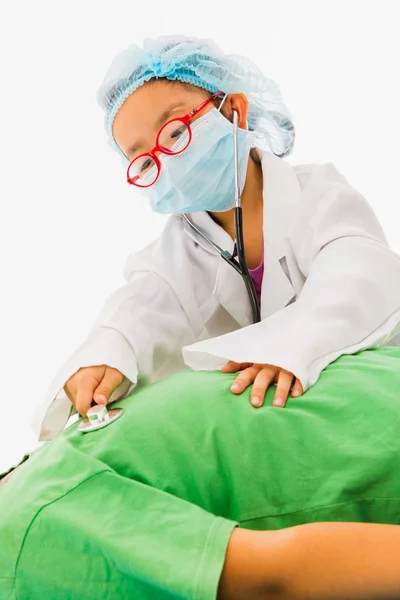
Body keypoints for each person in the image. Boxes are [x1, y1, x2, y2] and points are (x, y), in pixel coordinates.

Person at [33, 35, 400, 442]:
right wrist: (104, 356)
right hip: (282, 435)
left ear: (235, 111)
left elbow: (359, 276)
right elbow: (141, 307)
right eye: (145, 159)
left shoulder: (319, 195)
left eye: (174, 132)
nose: (168, 160)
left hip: (372, 407)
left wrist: (289, 346)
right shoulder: (178, 249)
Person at [2, 346, 400, 599]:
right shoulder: (30, 482)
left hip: (375, 451)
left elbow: (274, 577)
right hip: (366, 386)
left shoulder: (22, 543)